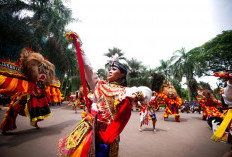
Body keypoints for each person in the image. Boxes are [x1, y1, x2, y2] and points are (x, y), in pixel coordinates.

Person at [57, 51, 152, 157]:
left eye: (114, 69)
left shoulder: (124, 90)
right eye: (110, 69)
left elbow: (146, 91)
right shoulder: (98, 85)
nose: (110, 71)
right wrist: (81, 51)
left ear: (122, 74)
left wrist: (134, 96)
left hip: (108, 133)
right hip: (89, 129)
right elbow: (88, 70)